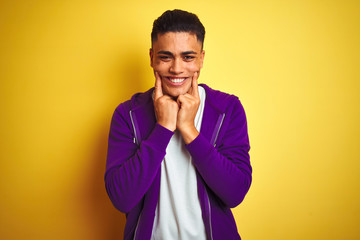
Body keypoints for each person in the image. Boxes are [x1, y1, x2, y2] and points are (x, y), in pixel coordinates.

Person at [105, 9, 252, 240]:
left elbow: (235, 193)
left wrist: (190, 131)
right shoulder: (128, 114)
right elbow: (121, 197)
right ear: (152, 57)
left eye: (188, 57)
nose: (176, 68)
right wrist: (163, 128)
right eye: (165, 57)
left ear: (201, 58)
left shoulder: (227, 109)